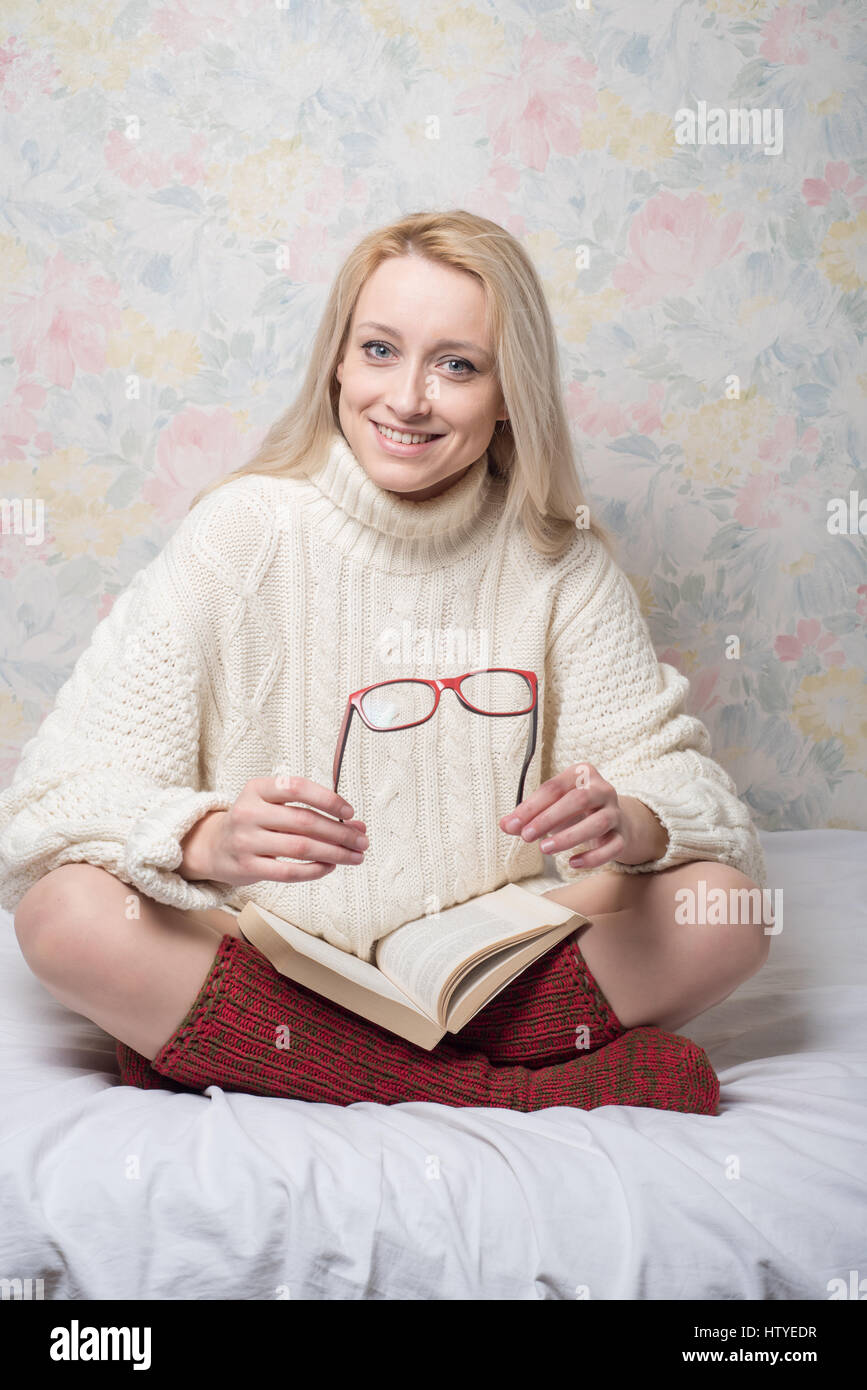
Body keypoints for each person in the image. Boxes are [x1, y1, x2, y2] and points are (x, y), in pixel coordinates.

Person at [2, 210, 770, 1115]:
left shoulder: (558, 561)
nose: (407, 398)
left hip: (482, 965)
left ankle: (236, 1052)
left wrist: (632, 821)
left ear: (508, 393)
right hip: (264, 952)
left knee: (726, 910)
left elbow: (696, 801)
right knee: (64, 916)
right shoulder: (243, 531)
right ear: (336, 361)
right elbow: (51, 808)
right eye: (378, 350)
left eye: (456, 365)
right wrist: (207, 838)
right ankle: (494, 1095)